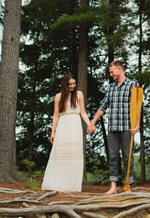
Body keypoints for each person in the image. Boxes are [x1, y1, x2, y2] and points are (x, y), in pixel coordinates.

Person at [90, 61, 140, 194]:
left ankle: (127, 186)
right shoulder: (110, 87)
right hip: (112, 127)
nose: (111, 75)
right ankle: (113, 186)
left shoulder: (132, 85)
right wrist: (93, 122)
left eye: (112, 72)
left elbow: (137, 106)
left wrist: (137, 125)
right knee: (112, 157)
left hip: (127, 127)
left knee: (127, 157)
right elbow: (103, 106)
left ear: (119, 69)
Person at [41, 72, 96, 192]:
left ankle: (72, 185)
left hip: (75, 125)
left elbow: (83, 112)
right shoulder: (58, 96)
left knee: (74, 154)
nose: (72, 86)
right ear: (65, 84)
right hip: (63, 125)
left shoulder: (79, 94)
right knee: (61, 154)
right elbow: (56, 115)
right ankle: (58, 184)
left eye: (74, 83)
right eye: (70, 84)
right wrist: (53, 132)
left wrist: (90, 124)